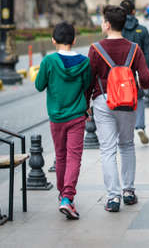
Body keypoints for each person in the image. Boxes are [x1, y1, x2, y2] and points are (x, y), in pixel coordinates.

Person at [87, 5, 149, 212]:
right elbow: (146, 78)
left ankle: (113, 198)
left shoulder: (96, 49)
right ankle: (129, 191)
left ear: (107, 24)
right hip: (127, 102)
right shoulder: (134, 48)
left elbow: (88, 79)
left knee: (107, 149)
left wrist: (86, 103)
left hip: (103, 100)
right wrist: (140, 86)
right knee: (127, 145)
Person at [35, 22, 92, 220]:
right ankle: (67, 198)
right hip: (77, 116)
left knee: (60, 156)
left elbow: (39, 85)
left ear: (53, 40)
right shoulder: (84, 62)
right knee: (74, 157)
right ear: (74, 40)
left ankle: (63, 195)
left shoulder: (48, 62)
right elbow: (87, 85)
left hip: (56, 117)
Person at [120, 0, 149, 145]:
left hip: (119, 72)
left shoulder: (118, 31)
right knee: (139, 98)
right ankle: (140, 126)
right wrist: (147, 74)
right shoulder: (143, 30)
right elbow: (148, 54)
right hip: (136, 72)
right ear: (134, 12)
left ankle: (124, 130)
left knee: (120, 100)